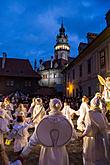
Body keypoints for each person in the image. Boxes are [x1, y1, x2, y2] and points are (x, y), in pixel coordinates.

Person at [19, 98, 77, 165]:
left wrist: (23, 154)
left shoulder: (44, 121)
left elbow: (32, 141)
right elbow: (74, 135)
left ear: (50, 106)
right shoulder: (65, 121)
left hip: (46, 152)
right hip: (61, 151)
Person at [79, 97, 110, 165]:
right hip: (102, 138)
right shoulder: (101, 114)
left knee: (92, 156)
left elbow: (89, 127)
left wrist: (83, 135)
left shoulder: (90, 113)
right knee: (101, 154)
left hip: (92, 138)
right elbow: (106, 125)